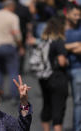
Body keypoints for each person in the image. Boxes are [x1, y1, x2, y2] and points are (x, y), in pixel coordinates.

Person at [0, 0, 24, 101]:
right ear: (11, 6)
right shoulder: (13, 17)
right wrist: (20, 46)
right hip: (9, 46)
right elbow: (17, 34)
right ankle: (14, 95)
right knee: (13, 71)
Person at [39, 17, 68, 131]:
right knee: (58, 108)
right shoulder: (59, 42)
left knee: (47, 106)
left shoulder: (43, 41)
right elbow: (61, 62)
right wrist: (67, 61)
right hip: (57, 77)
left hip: (44, 77)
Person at [64, 2, 81, 131]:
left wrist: (65, 47)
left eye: (79, 15)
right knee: (59, 103)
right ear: (67, 14)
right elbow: (53, 45)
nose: (77, 17)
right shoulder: (61, 28)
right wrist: (74, 45)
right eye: (75, 15)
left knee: (77, 102)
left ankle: (77, 128)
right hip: (61, 70)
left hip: (77, 69)